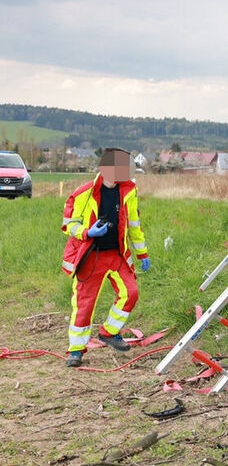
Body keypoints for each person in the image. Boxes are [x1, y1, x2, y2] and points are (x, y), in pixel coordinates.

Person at [61, 148, 150, 367]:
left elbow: (134, 225)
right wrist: (87, 232)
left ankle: (109, 332)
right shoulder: (84, 193)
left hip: (117, 255)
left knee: (131, 293)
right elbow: (69, 224)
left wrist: (142, 253)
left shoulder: (129, 191)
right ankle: (76, 350)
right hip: (92, 256)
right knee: (85, 304)